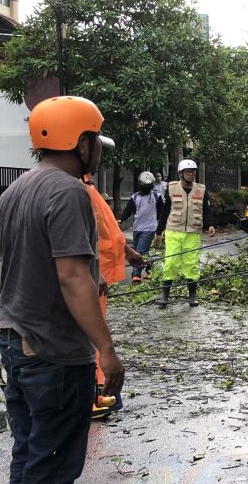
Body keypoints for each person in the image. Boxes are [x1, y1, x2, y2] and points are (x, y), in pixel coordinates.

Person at [0, 95, 124, 484]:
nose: (99, 151)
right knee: (51, 459)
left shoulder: (17, 189)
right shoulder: (70, 192)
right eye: (96, 141)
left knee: (29, 455)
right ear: (82, 142)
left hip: (17, 343)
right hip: (52, 352)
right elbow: (72, 277)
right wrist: (106, 351)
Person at [83, 170, 143, 420]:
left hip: (100, 271)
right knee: (90, 333)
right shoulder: (77, 189)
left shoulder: (88, 186)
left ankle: (95, 391)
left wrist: (127, 251)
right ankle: (91, 396)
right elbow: (83, 234)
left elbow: (106, 229)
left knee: (95, 331)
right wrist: (93, 272)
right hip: (91, 275)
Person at [156, 158, 215, 308]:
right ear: (181, 174)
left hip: (193, 233)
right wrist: (158, 232)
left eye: (193, 172)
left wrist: (210, 225)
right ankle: (165, 296)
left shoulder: (201, 189)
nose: (191, 174)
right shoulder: (171, 188)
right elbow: (164, 211)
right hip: (173, 231)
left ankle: (192, 296)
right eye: (188, 172)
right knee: (171, 263)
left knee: (191, 265)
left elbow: (207, 210)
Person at [118, 171, 164, 284]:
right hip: (137, 228)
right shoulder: (134, 197)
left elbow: (162, 212)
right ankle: (151, 270)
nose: (146, 188)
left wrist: (159, 227)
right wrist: (121, 219)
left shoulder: (156, 197)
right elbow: (128, 210)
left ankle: (136, 274)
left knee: (140, 251)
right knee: (143, 252)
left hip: (149, 228)